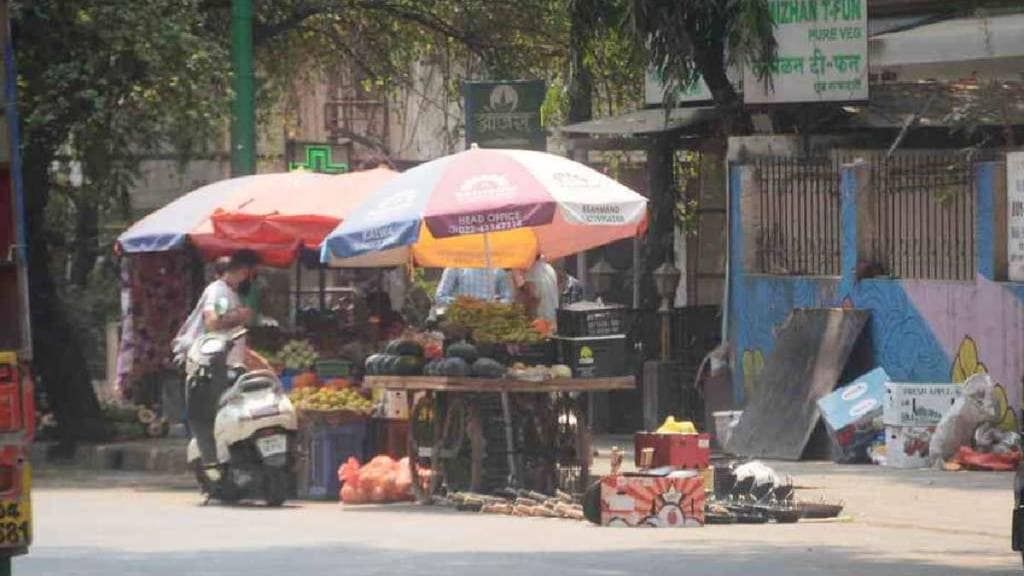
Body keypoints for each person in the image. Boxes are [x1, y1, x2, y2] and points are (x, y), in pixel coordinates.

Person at [172, 250, 260, 368]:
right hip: (214, 365)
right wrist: (239, 317)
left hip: (223, 362)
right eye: (251, 275)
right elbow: (213, 322)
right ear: (244, 272)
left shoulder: (229, 292)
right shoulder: (220, 292)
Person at [434, 267, 513, 305]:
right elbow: (440, 297)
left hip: (490, 317)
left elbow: (508, 298)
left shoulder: (498, 271)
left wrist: (494, 304)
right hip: (460, 317)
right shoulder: (455, 268)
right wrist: (465, 303)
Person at [522, 255, 559, 327]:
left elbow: (533, 297)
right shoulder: (550, 268)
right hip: (552, 316)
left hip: (539, 320)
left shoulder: (531, 270)